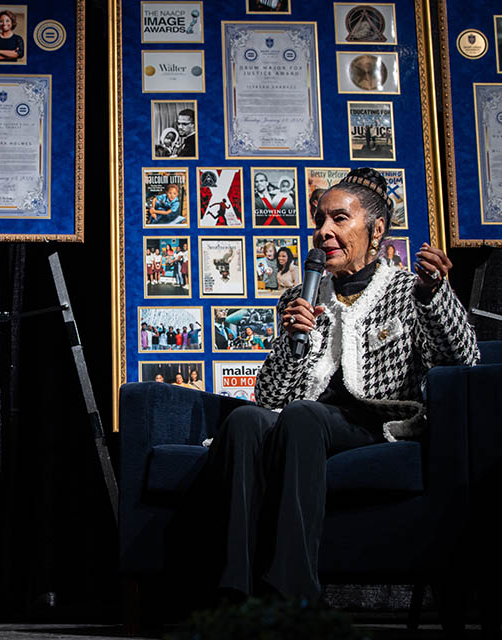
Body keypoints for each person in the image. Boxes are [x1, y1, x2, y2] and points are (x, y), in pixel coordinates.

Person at [202, 167, 478, 603]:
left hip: (374, 425)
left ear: (377, 229)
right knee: (245, 422)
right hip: (305, 421)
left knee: (303, 416)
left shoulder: (410, 290)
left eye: (339, 219)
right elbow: (271, 397)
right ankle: (234, 592)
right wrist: (293, 344)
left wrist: (433, 297)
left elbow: (461, 362)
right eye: (318, 222)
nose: (323, 232)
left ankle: (293, 595)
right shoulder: (302, 298)